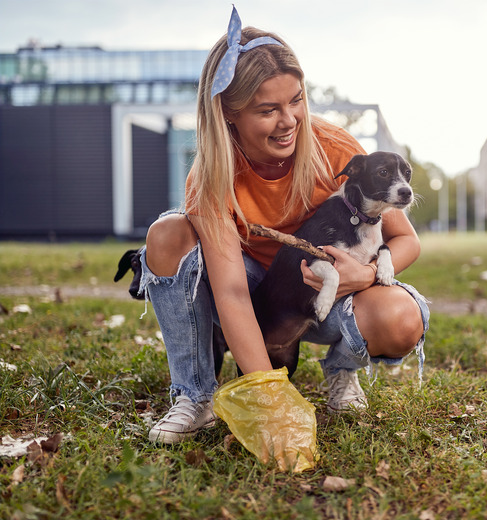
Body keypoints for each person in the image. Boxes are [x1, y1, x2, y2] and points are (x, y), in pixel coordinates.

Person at [137, 7, 429, 444]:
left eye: (296, 101)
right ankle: (196, 395)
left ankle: (341, 372)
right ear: (229, 112)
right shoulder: (213, 174)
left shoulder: (332, 148)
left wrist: (365, 274)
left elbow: (405, 239)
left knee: (401, 319)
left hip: (328, 295)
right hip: (256, 297)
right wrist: (269, 400)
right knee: (168, 231)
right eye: (268, 109)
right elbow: (232, 293)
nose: (289, 120)